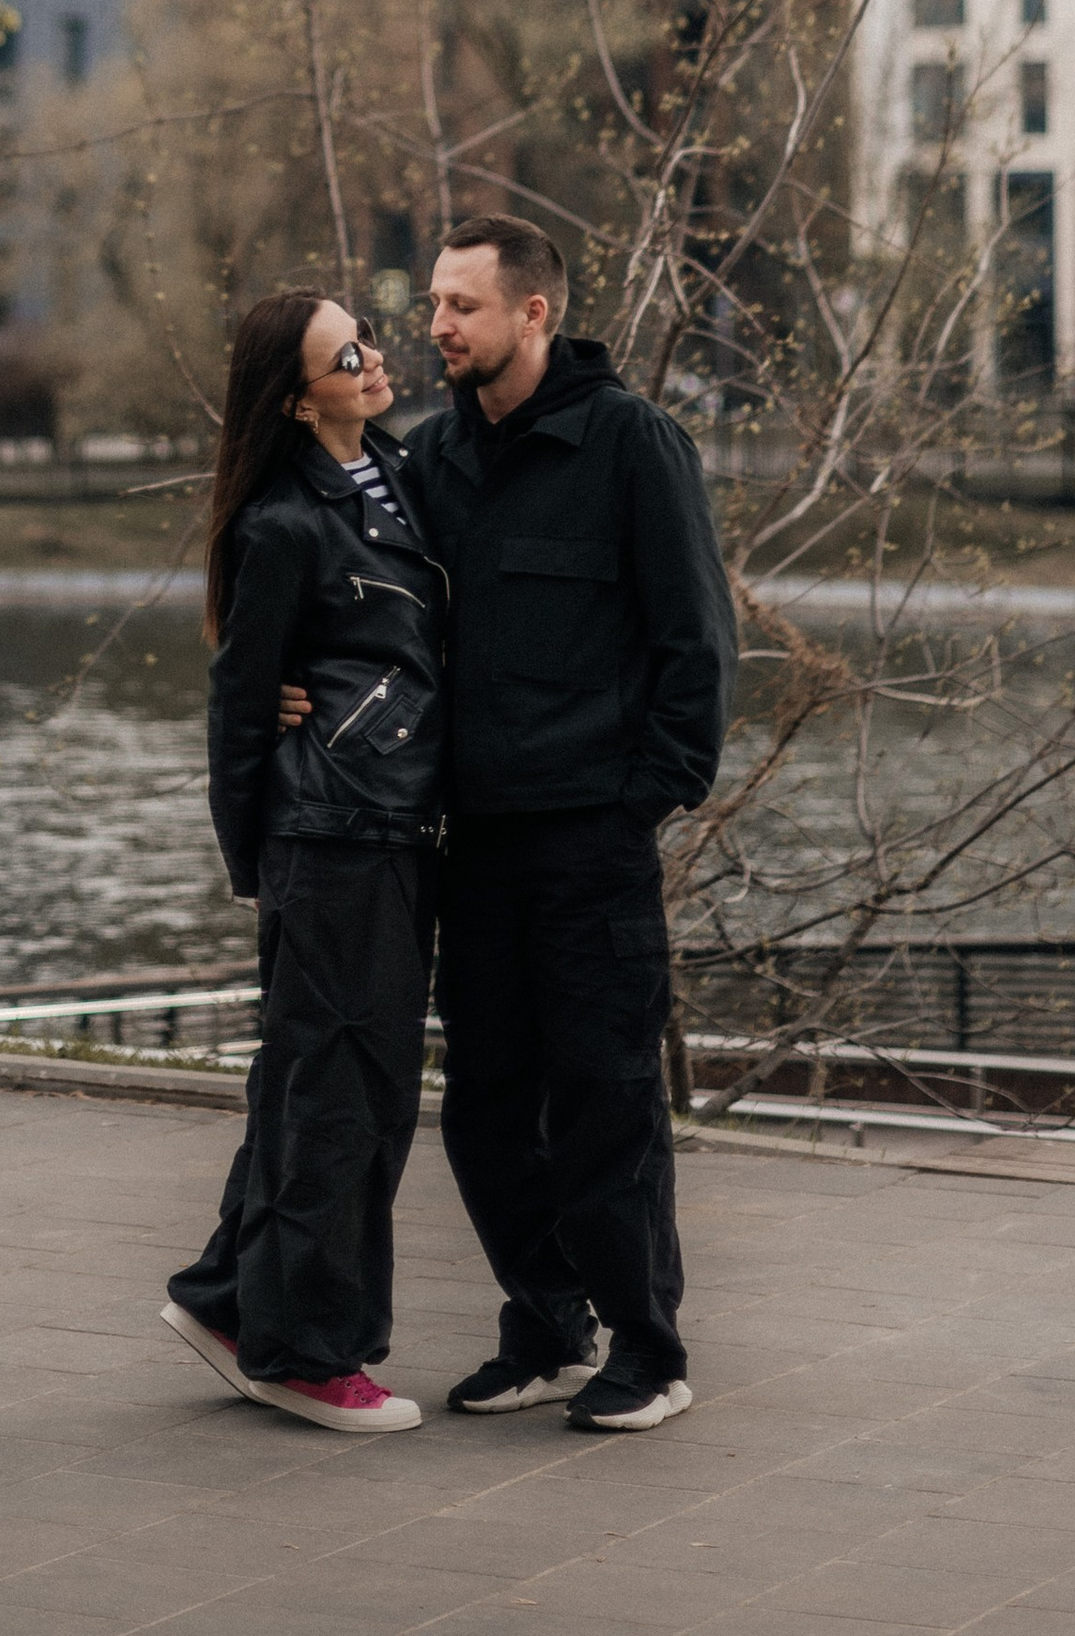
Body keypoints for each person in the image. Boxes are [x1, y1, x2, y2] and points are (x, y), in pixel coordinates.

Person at [367, 213, 734, 1435]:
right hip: (472, 845)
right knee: (482, 1107)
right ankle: (546, 1324)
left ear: (534, 312)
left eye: (460, 304)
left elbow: (696, 645)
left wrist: (643, 795)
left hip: (590, 843)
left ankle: (647, 1345)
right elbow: (378, 616)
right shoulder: (432, 460)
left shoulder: (633, 444)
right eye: (432, 303)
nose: (437, 325)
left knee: (603, 1098)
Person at [160, 286, 445, 1436]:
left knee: (317, 1084)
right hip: (332, 837)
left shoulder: (399, 473)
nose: (374, 357)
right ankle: (308, 1352)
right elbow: (239, 709)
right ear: (295, 394)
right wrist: (259, 858)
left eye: (367, 335)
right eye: (346, 352)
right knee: (342, 1096)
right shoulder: (284, 523)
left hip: (391, 823)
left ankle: (233, 1300)